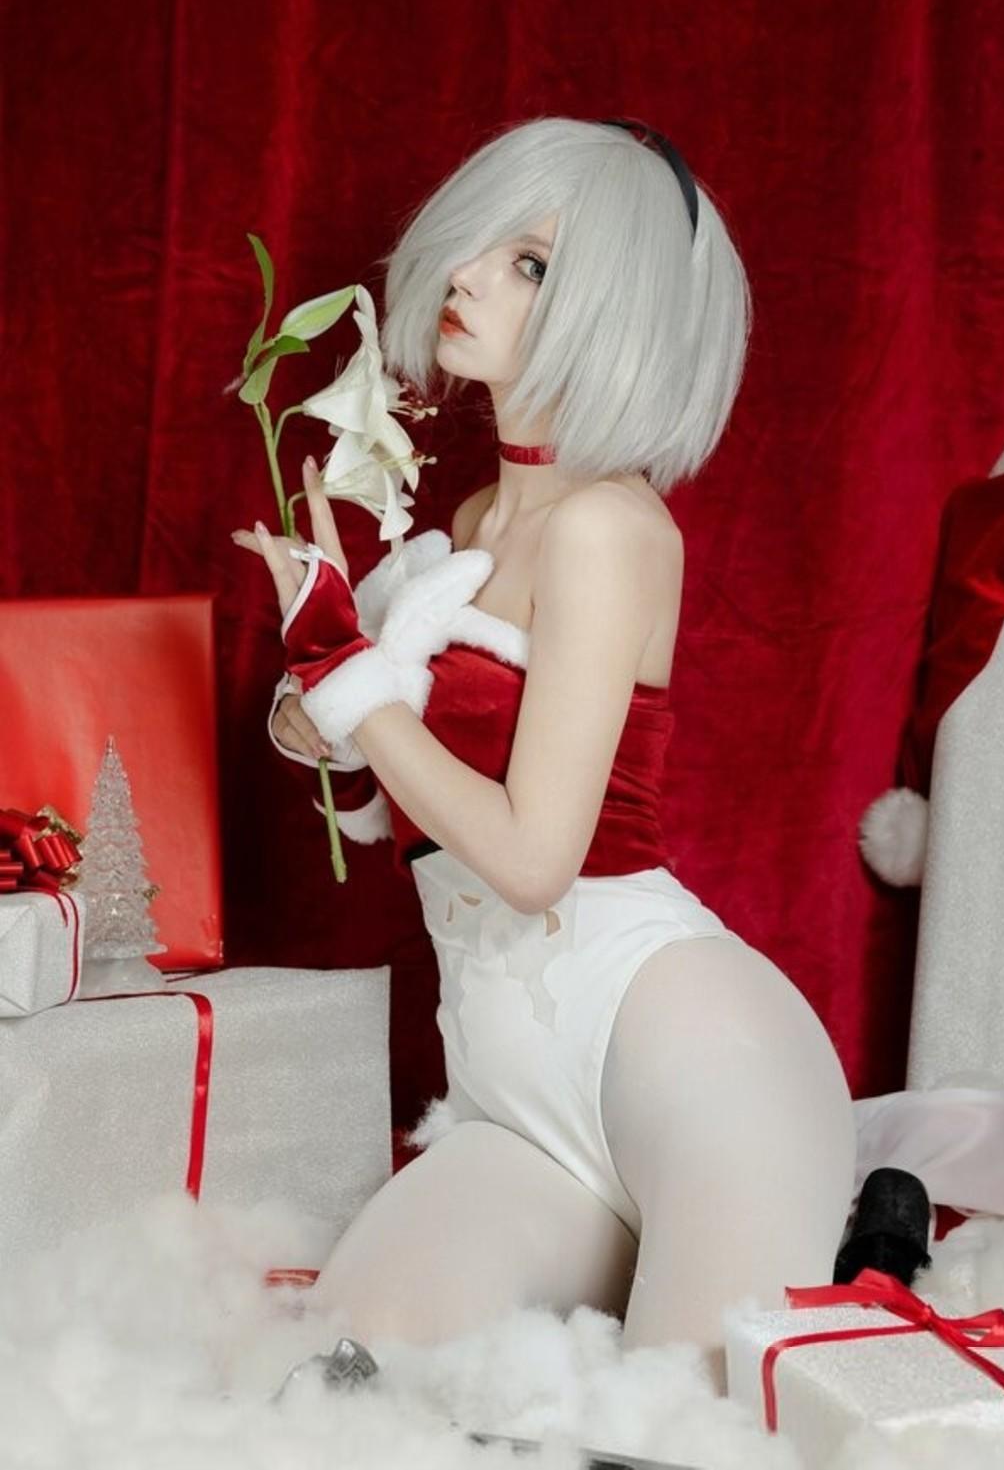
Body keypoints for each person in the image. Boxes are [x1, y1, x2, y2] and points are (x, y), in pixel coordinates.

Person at [233, 116, 856, 1395]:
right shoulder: (469, 523)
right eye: (482, 243)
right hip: (513, 1096)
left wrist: (349, 678)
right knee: (333, 1389)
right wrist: (321, 712)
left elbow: (532, 860)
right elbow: (410, 773)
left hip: (701, 1071)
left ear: (616, 313)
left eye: (529, 264)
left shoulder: (610, 529)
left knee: (667, 1436)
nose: (465, 273)